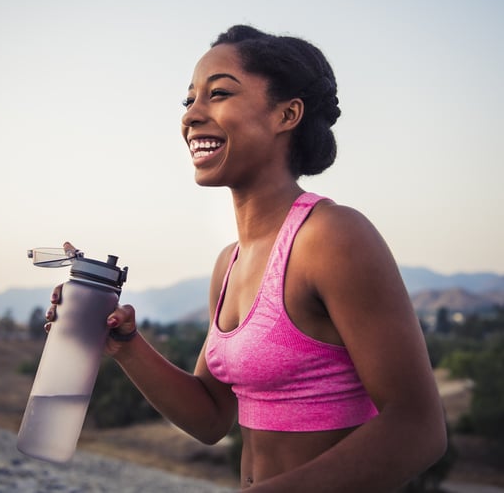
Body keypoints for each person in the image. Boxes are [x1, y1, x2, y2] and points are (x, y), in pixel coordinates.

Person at [47, 25, 447, 491]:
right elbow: (211, 417)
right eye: (188, 101)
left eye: (218, 94)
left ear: (287, 114)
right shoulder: (229, 263)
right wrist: (125, 346)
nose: (192, 115)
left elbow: (419, 428)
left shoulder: (332, 237)